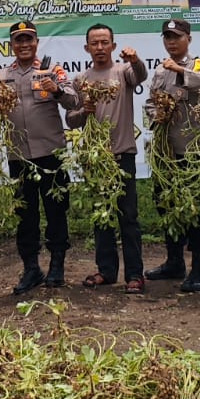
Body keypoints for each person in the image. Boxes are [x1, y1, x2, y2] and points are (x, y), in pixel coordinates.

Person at [0, 21, 80, 294]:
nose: (24, 44)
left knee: (56, 212)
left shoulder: (52, 70)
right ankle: (31, 269)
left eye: (28, 39)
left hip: (51, 154)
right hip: (19, 157)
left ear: (36, 42)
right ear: (12, 45)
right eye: (18, 40)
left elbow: (73, 101)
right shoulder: (2, 76)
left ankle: (57, 266)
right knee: (24, 215)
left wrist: (57, 90)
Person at [69, 24, 149, 293]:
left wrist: (135, 59)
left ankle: (135, 275)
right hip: (96, 158)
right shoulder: (80, 80)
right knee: (101, 218)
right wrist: (84, 111)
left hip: (122, 153)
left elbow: (141, 74)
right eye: (95, 43)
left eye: (105, 42)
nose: (100, 47)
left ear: (113, 46)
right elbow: (71, 119)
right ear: (87, 48)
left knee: (128, 217)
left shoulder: (124, 72)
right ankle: (106, 270)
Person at [144, 19, 200, 291]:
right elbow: (150, 102)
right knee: (166, 205)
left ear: (188, 38)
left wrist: (180, 70)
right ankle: (174, 262)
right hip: (165, 152)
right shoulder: (161, 72)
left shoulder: (197, 64)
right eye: (167, 37)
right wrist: (157, 114)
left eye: (176, 37)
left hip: (190, 149)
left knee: (195, 209)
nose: (171, 42)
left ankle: (199, 270)